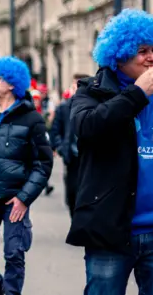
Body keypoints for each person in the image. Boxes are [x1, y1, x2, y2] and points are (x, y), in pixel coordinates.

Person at [68, 9, 153, 295]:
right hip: (110, 231)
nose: (152, 57)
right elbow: (87, 127)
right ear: (119, 54)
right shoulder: (91, 91)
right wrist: (137, 94)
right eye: (141, 51)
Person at [0, 56, 53, 295]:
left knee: (14, 253)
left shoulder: (32, 119)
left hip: (14, 198)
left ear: (11, 84)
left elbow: (42, 164)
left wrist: (24, 198)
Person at [49, 73, 89, 218]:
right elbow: (55, 130)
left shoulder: (94, 105)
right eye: (75, 85)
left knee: (87, 193)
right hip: (71, 158)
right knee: (72, 194)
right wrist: (61, 147)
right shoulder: (64, 107)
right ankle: (76, 221)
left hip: (89, 158)